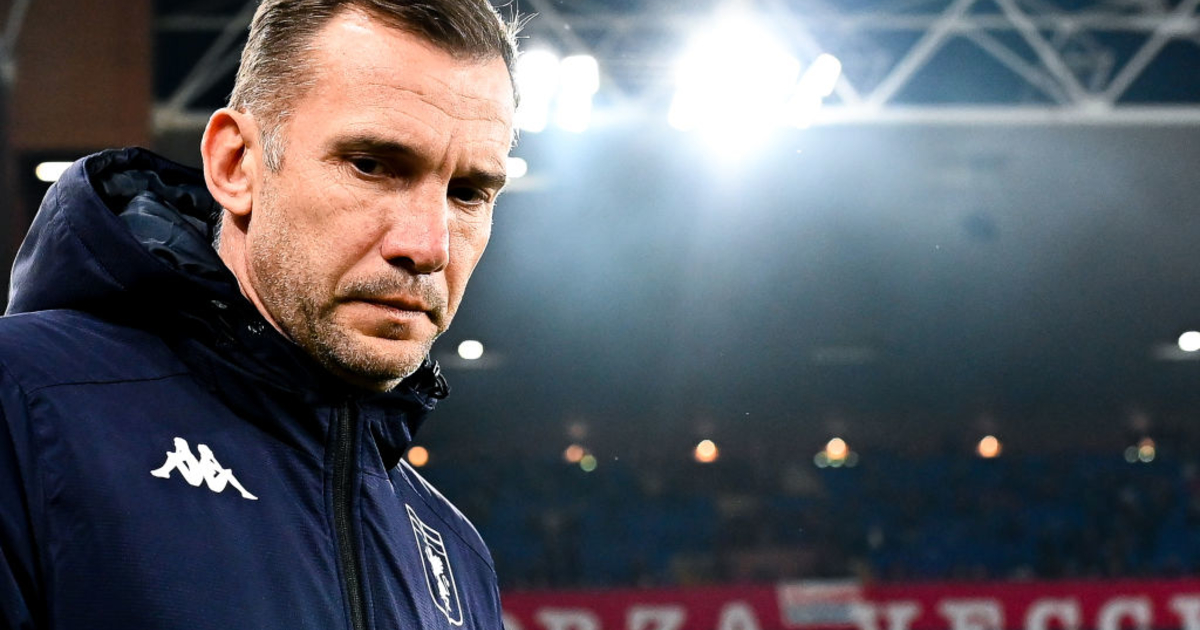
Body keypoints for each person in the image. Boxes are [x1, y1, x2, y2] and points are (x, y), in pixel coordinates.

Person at [0, 1, 520, 628]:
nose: (429, 246)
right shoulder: (21, 405)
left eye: (468, 193)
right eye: (372, 166)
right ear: (235, 165)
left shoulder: (458, 560)